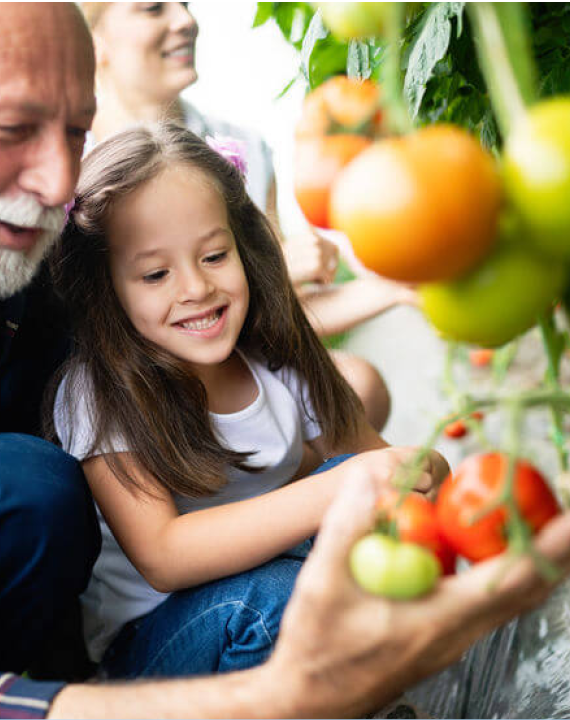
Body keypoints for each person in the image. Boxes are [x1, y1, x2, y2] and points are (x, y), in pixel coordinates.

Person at [0, 4, 570, 719]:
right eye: (11, 127)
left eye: (76, 131)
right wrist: (285, 694)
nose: (58, 185)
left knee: (24, 485)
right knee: (42, 490)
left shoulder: (23, 222)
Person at [47, 123, 447, 679]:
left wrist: (421, 471)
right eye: (156, 273)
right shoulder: (101, 392)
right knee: (275, 598)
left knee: (370, 522)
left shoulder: (276, 358)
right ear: (105, 287)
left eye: (214, 256)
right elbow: (164, 555)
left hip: (272, 593)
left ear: (244, 246)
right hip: (159, 648)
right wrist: (342, 486)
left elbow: (381, 467)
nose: (195, 288)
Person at [82, 1, 411, 431]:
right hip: (144, 397)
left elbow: (269, 319)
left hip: (237, 374)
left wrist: (395, 288)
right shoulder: (74, 170)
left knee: (359, 385)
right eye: (154, 9)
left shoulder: (242, 147)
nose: (186, 21)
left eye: (184, 5)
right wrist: (275, 269)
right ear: (94, 42)